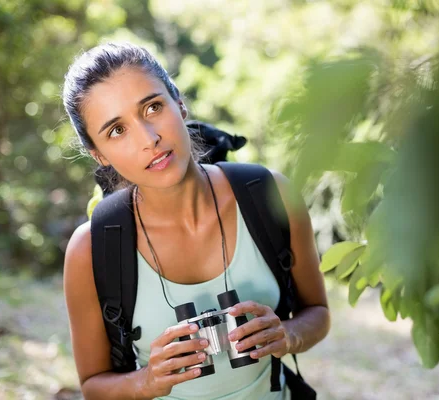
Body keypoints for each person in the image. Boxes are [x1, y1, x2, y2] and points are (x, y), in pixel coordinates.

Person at [61, 42, 330, 400]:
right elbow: (94, 386)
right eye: (116, 131)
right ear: (99, 155)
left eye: (153, 107)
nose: (149, 139)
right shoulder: (90, 249)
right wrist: (147, 380)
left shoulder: (270, 195)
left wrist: (286, 334)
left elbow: (318, 313)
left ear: (180, 103)